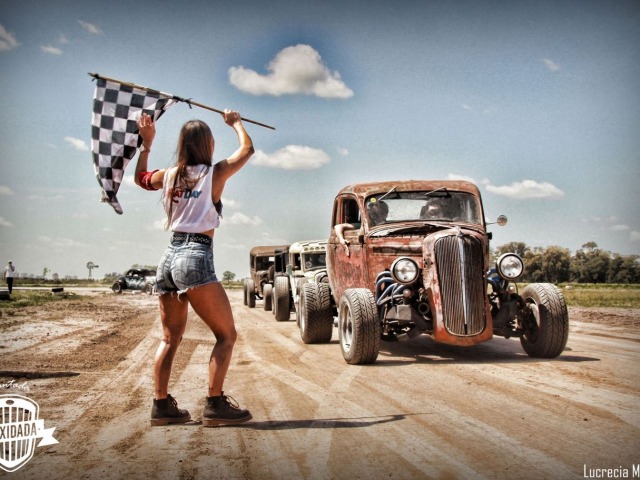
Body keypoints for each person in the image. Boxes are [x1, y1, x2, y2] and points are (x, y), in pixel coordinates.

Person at [134, 109, 254, 427]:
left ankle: (162, 407)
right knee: (226, 335)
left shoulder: (169, 175)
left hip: (168, 257)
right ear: (208, 144)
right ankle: (215, 404)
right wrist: (236, 123)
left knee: (169, 338)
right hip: (195, 255)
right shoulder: (213, 174)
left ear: (183, 145)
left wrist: (147, 145)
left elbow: (141, 179)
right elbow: (247, 150)